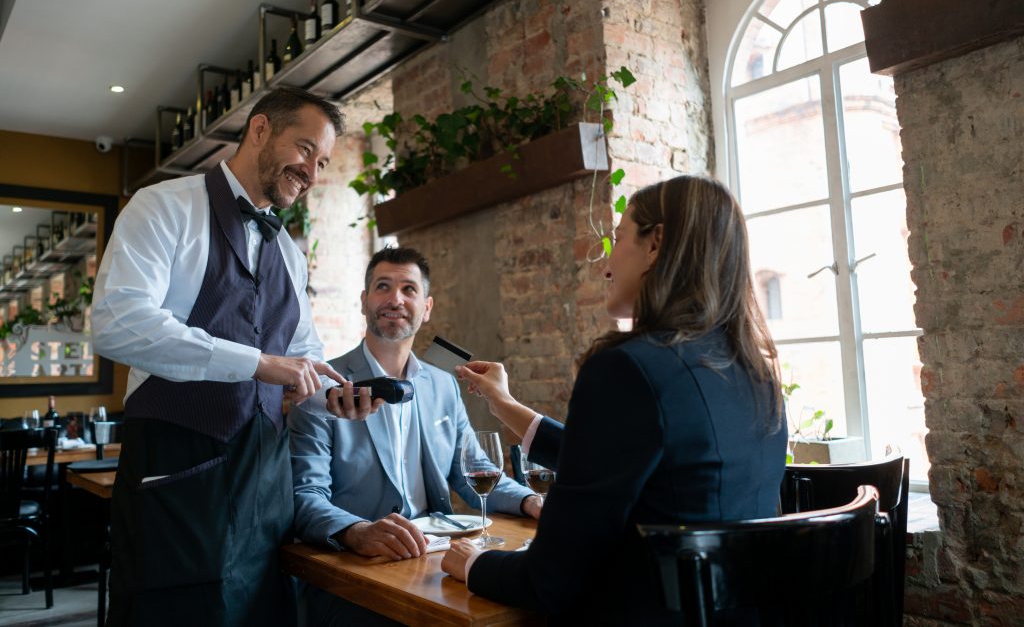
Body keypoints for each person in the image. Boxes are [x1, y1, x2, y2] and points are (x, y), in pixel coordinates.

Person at [441, 175, 789, 624]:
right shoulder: (755, 373)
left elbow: (551, 579)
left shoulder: (628, 369)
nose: (606, 266)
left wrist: (471, 563)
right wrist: (507, 406)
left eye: (619, 238)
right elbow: (640, 465)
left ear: (655, 244)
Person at [92, 87, 381, 627]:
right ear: (261, 129)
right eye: (305, 151)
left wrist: (330, 394)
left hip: (264, 490)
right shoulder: (164, 207)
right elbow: (117, 322)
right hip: (177, 479)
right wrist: (257, 363)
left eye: (322, 163)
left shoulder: (290, 256)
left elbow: (302, 358)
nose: (312, 174)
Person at [289, 246, 542, 626]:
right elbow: (305, 498)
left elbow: (476, 474)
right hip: (357, 575)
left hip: (437, 563)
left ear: (426, 307)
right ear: (363, 301)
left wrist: (531, 502)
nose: (395, 299)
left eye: (409, 289)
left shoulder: (443, 386)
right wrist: (357, 532)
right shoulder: (323, 387)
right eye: (383, 287)